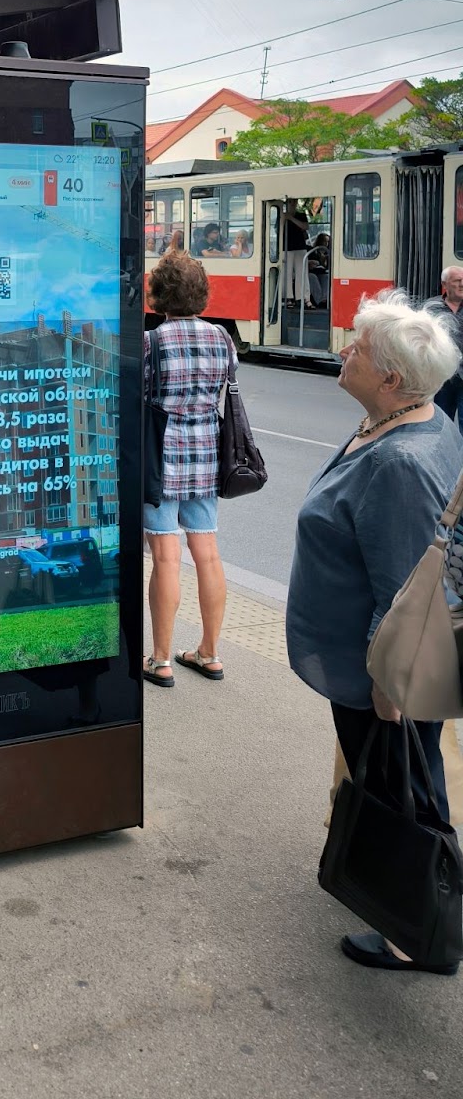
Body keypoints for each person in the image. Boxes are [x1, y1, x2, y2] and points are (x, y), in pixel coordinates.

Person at [286, 291, 463, 973]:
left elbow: (400, 587)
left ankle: (417, 928)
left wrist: (389, 684)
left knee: (404, 789)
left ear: (391, 377)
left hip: (382, 669)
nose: (343, 352)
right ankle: (398, 891)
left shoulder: (399, 462)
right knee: (400, 778)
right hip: (371, 660)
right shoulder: (399, 419)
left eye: (356, 348)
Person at [142, 252, 234, 687]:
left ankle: (160, 661)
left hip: (161, 459)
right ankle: (210, 653)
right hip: (207, 457)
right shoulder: (222, 338)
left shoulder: (152, 342)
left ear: (159, 294)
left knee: (165, 557)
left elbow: (142, 395)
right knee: (208, 554)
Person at [424, 266, 463, 422]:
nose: (462, 284)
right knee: (442, 421)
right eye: (457, 281)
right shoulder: (431, 307)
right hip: (442, 377)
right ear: (445, 285)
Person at [283, 208, 310, 304]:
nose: (292, 204)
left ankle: (304, 297)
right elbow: (278, 228)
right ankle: (287, 297)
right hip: (286, 247)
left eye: (294, 202)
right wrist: (284, 218)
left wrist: (290, 218)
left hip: (300, 246)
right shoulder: (282, 215)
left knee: (302, 273)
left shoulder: (301, 215)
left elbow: (305, 226)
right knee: (287, 273)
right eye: (290, 202)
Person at [307, 233, 331, 309]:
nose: (326, 244)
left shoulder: (329, 253)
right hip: (311, 271)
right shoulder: (312, 251)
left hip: (322, 272)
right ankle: (319, 300)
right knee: (312, 277)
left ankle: (324, 299)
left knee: (326, 277)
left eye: (328, 242)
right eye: (324, 241)